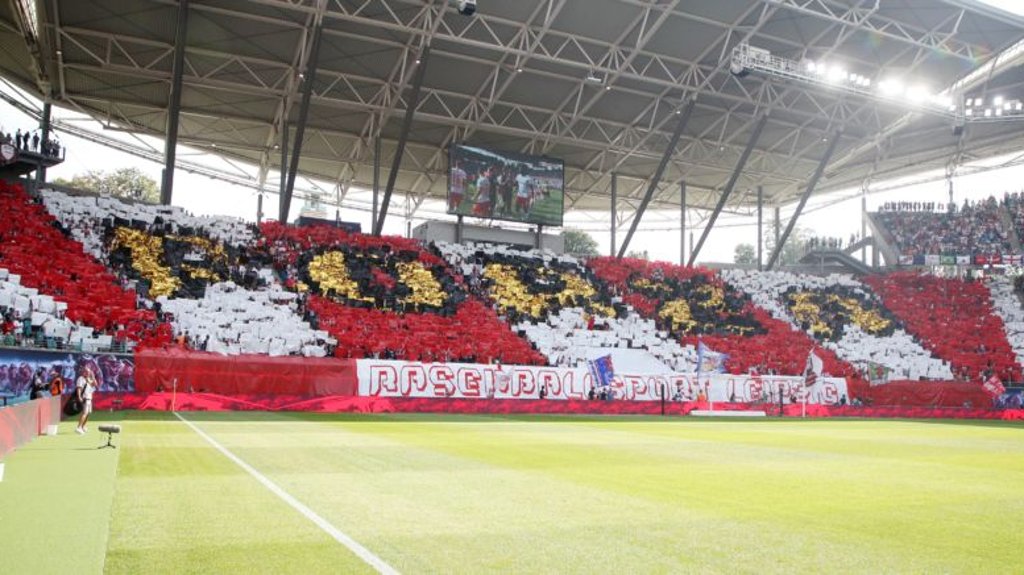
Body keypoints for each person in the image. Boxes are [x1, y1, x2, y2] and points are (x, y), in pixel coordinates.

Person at [75, 366, 97, 434]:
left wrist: (93, 376)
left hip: (89, 398)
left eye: (89, 372)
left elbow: (95, 384)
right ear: (83, 372)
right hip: (85, 398)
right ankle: (79, 427)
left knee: (88, 413)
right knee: (84, 413)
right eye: (86, 372)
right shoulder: (80, 379)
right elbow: (79, 388)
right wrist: (79, 397)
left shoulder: (88, 379)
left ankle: (83, 426)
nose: (88, 373)